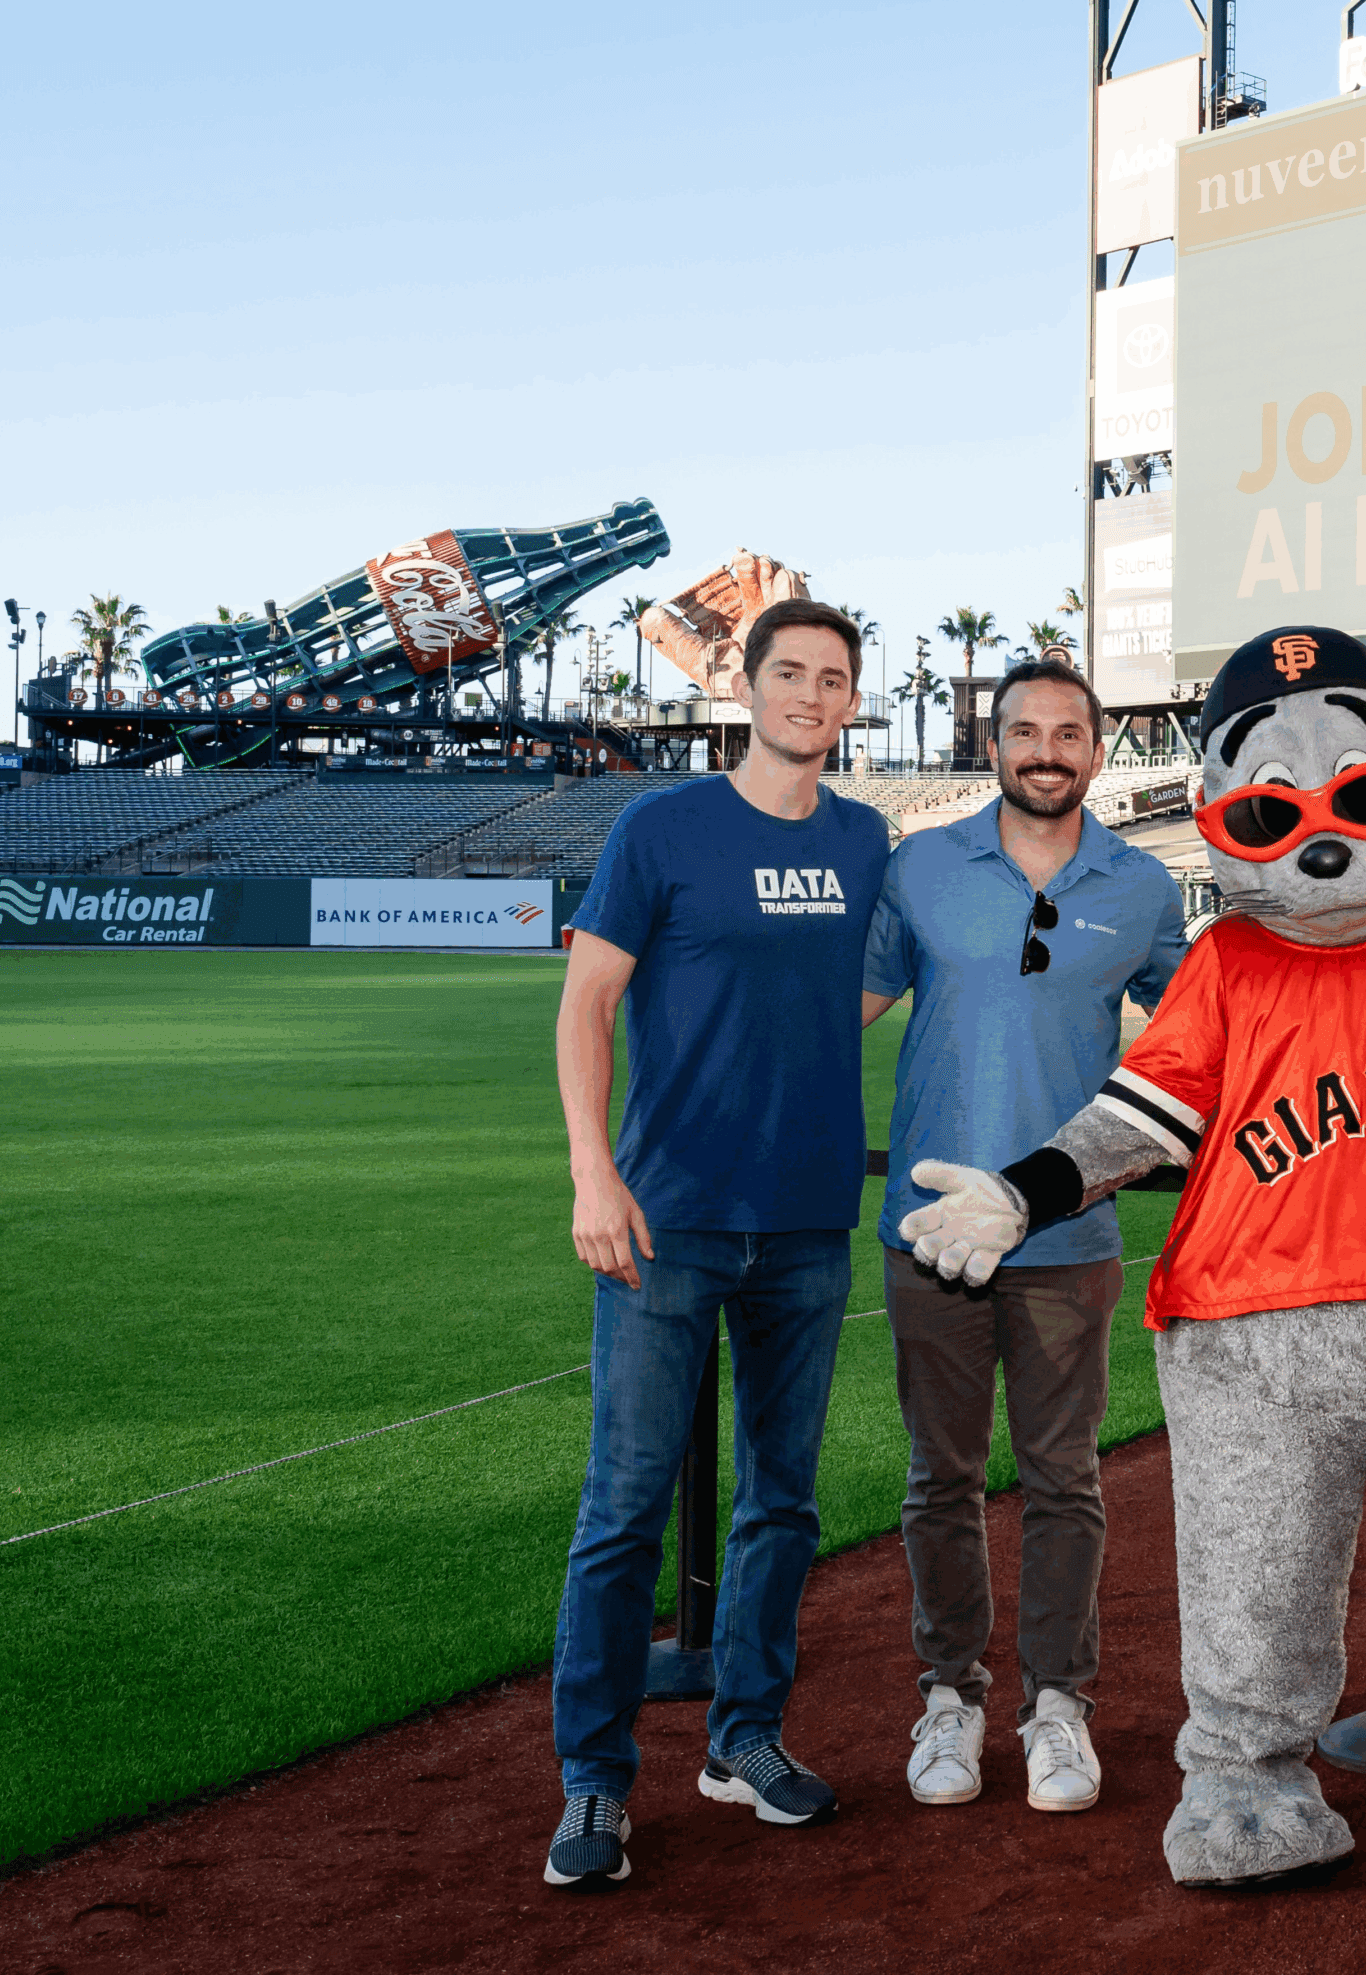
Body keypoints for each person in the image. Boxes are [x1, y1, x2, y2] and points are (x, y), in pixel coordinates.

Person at [542, 599, 889, 1887]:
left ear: (853, 700)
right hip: (665, 1219)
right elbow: (588, 999)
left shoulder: (865, 841)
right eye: (788, 672)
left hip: (805, 1224)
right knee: (624, 1508)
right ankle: (592, 1780)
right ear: (744, 686)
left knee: (781, 1503)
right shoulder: (662, 826)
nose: (810, 693)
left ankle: (745, 1738)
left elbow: (859, 991)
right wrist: (594, 1170)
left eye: (833, 677)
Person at [861, 659, 1187, 1814]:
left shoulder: (1142, 883)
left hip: (1066, 1236)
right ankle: (948, 1694)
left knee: (1063, 1479)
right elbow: (837, 1007)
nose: (1046, 749)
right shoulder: (921, 865)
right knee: (938, 1478)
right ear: (992, 744)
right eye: (1024, 731)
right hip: (931, 1233)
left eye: (1069, 731)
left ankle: (1059, 1706)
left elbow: (1197, 1033)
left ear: (1096, 749)